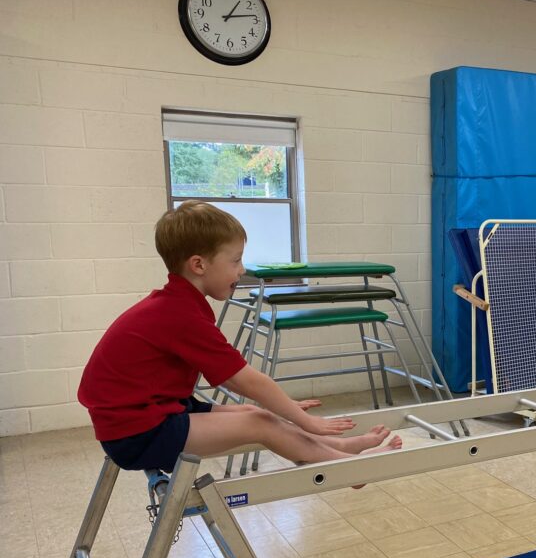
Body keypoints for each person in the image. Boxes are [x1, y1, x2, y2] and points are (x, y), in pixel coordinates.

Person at [78, 200, 401, 474]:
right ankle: (347, 469)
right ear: (199, 265)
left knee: (253, 414)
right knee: (259, 423)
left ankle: (338, 448)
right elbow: (242, 380)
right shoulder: (178, 314)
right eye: (234, 261)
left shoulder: (179, 303)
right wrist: (304, 419)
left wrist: (287, 407)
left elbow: (239, 385)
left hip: (153, 413)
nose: (241, 270)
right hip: (138, 434)